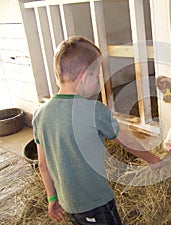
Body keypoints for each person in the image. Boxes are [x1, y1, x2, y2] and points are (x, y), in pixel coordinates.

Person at [32, 36, 161, 225]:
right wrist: (153, 159)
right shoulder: (95, 111)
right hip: (96, 202)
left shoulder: (40, 114)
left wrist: (52, 198)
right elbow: (127, 142)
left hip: (69, 204)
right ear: (85, 77)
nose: (98, 81)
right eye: (97, 75)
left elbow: (43, 165)